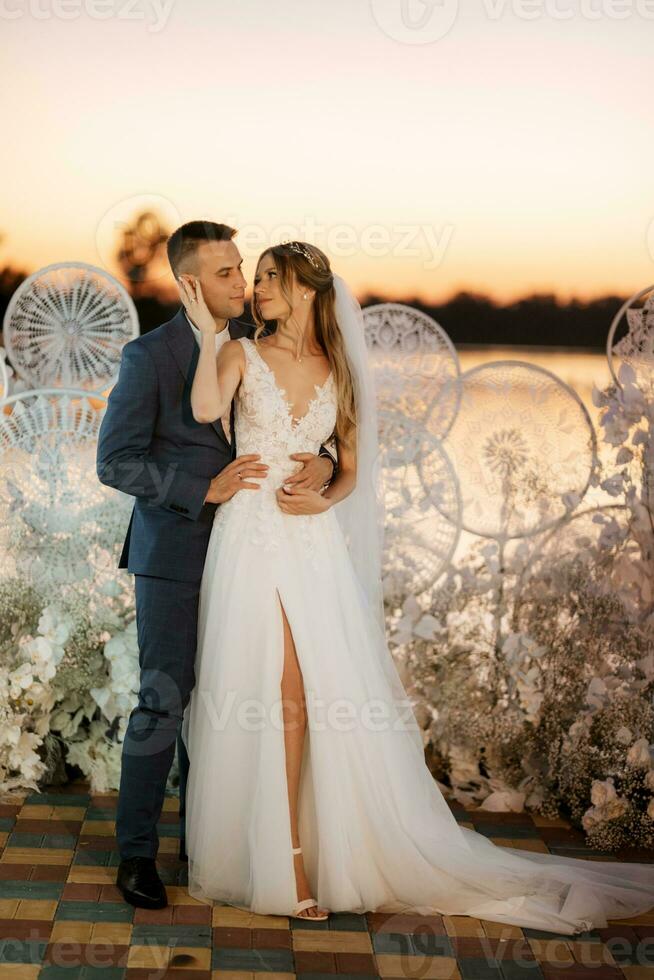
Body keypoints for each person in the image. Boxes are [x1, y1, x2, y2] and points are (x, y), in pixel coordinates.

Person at [178, 239, 654, 932]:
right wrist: (203, 337)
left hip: (309, 546)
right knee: (268, 690)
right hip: (249, 538)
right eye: (254, 280)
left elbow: (352, 470)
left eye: (270, 278)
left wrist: (325, 490)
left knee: (316, 695)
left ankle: (318, 847)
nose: (257, 290)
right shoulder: (238, 354)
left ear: (309, 290)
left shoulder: (337, 369)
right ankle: (283, 861)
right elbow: (200, 410)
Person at [96, 222, 336, 909]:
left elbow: (313, 423)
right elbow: (115, 461)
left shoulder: (255, 350)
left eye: (244, 269)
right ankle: (137, 855)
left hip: (258, 551)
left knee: (238, 698)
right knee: (164, 699)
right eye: (228, 273)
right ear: (189, 284)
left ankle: (209, 843)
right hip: (175, 553)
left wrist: (328, 462)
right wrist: (200, 489)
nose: (242, 283)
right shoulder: (149, 355)